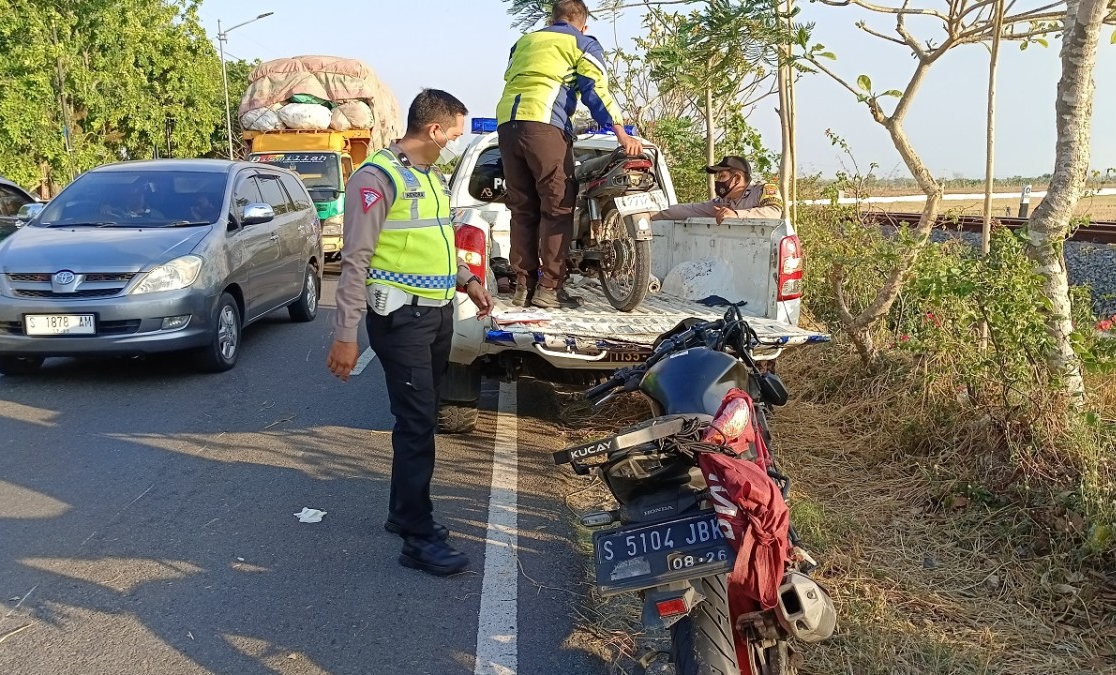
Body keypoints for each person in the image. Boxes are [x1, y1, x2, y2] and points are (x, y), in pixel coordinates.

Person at [326, 89, 494, 577]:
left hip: (437, 314)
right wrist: (344, 335)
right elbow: (355, 261)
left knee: (422, 417)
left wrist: (469, 281)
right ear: (434, 131)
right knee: (419, 423)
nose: (456, 145)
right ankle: (418, 538)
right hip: (401, 321)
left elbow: (437, 239)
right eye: (455, 136)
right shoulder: (376, 178)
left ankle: (404, 514)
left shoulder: (430, 177)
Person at [495, 0, 643, 310]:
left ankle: (524, 286)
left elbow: (512, 76)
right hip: (545, 125)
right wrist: (621, 133)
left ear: (550, 19)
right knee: (558, 206)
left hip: (507, 126)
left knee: (523, 210)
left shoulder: (524, 42)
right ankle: (549, 289)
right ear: (583, 24)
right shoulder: (581, 42)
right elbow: (595, 90)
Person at [651, 155, 784, 225]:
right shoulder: (723, 201)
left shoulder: (761, 191)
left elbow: (774, 212)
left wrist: (736, 215)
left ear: (737, 178)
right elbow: (691, 209)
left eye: (722, 176)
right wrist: (653, 213)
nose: (718, 181)